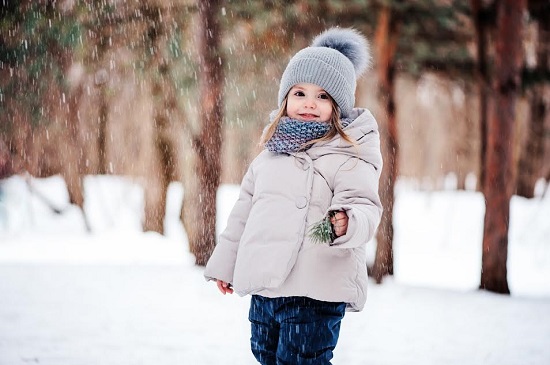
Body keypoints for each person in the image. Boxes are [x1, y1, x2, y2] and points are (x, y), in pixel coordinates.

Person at [204, 27, 383, 365]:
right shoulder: (270, 156)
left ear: (339, 106)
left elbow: (364, 206)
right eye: (299, 93)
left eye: (323, 96)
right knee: (265, 354)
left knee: (301, 360)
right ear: (286, 99)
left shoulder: (349, 153)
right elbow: (243, 215)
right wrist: (226, 264)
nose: (309, 104)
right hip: (267, 288)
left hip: (315, 290)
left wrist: (347, 222)